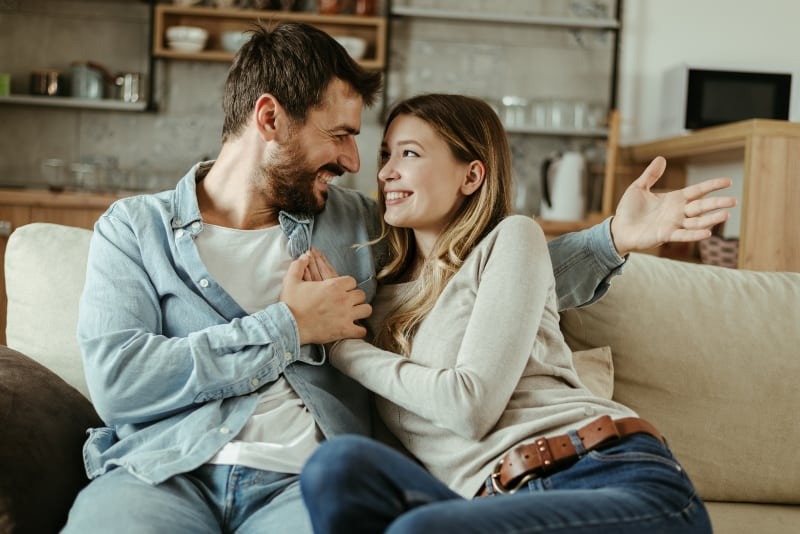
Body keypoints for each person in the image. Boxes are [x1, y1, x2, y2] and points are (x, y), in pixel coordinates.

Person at [64, 21, 732, 533]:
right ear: (270, 118)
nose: (357, 162)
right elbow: (122, 384)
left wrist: (611, 239)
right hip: (161, 473)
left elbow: (481, 281)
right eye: (341, 136)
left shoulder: (357, 223)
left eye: (374, 147)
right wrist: (288, 327)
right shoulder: (136, 229)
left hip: (301, 483)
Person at [299, 94, 713, 534]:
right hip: (487, 504)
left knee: (420, 531)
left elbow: (469, 406)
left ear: (472, 175)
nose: (385, 173)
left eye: (409, 154)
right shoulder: (376, 303)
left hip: (604, 475)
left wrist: (344, 347)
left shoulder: (512, 239)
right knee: (336, 466)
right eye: (385, 155)